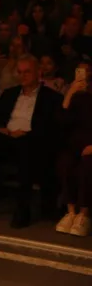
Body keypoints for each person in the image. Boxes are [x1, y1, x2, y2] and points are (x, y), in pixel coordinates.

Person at [0, 54, 63, 228]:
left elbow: (50, 129)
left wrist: (25, 134)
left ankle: (22, 208)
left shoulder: (51, 97)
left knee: (26, 149)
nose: (22, 76)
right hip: (7, 137)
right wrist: (2, 129)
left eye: (27, 72)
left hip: (31, 140)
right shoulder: (9, 94)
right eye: (20, 72)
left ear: (38, 72)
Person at [55, 63, 92, 237]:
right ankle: (71, 212)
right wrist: (70, 93)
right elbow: (61, 121)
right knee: (65, 162)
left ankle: (84, 214)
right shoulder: (75, 95)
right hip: (74, 144)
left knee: (87, 166)